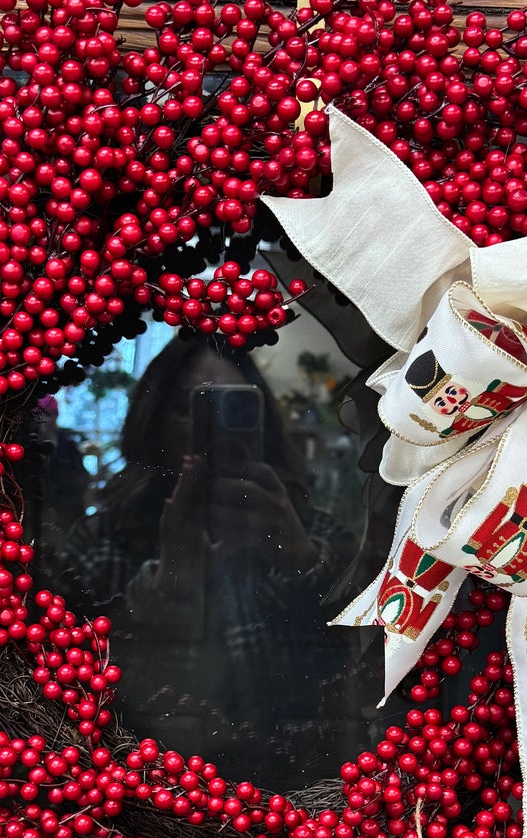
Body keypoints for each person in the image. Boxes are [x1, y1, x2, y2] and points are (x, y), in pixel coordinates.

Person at [56, 336, 360, 786]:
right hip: (142, 788)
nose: (215, 429)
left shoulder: (317, 533)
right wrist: (169, 580)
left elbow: (359, 666)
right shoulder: (102, 540)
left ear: (263, 424)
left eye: (233, 409)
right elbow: (79, 687)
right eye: (194, 408)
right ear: (153, 421)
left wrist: (297, 556)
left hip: (293, 788)